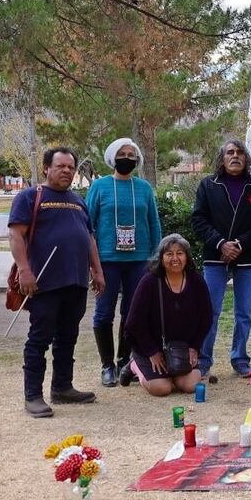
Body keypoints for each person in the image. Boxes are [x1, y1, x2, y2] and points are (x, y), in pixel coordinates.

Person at [10, 147, 106, 418]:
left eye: (70, 167)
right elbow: (16, 235)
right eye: (61, 166)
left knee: (68, 337)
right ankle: (33, 396)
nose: (67, 171)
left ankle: (63, 387)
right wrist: (24, 270)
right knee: (39, 339)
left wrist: (97, 271)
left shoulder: (78, 200)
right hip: (43, 283)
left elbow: (88, 238)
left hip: (75, 281)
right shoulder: (30, 197)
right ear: (46, 168)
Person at [191, 139, 251, 380]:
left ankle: (240, 359)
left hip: (245, 257)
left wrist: (239, 244)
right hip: (215, 257)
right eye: (230, 153)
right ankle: (204, 362)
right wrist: (221, 243)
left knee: (244, 312)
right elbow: (198, 220)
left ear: (246, 158)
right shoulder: (208, 185)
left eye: (239, 153)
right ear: (222, 158)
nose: (235, 156)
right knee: (210, 310)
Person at [86, 138, 161, 387]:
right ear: (112, 157)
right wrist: (91, 261)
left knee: (132, 312)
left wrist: (156, 257)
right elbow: (88, 226)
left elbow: (154, 224)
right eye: (122, 153)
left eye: (131, 154)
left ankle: (124, 361)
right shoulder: (99, 187)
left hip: (138, 260)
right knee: (103, 312)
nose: (127, 158)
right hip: (107, 260)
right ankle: (106, 365)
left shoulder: (144, 188)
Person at [120, 234, 211, 395]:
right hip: (151, 347)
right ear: (161, 258)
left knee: (189, 386)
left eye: (180, 253)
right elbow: (134, 322)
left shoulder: (196, 281)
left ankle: (173, 373)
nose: (175, 258)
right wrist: (151, 352)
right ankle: (134, 365)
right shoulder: (149, 282)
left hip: (180, 348)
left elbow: (206, 317)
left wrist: (194, 347)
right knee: (162, 389)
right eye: (169, 254)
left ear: (187, 257)